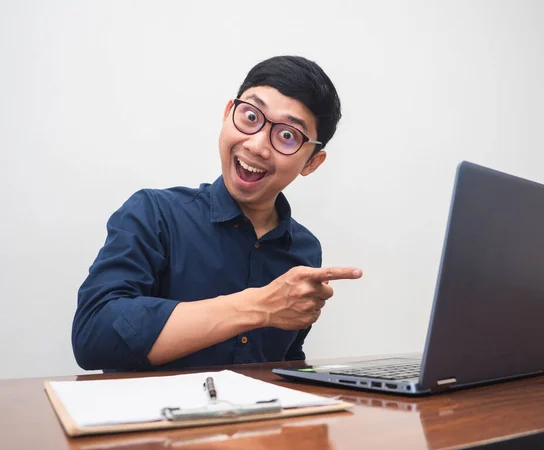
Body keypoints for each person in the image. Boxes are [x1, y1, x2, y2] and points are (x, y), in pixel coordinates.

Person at [72, 55, 363, 372]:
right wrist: (258, 306)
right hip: (155, 420)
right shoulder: (153, 213)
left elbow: (284, 362)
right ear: (228, 115)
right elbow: (93, 337)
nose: (257, 145)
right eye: (251, 116)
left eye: (287, 136)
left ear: (312, 163)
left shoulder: (305, 250)